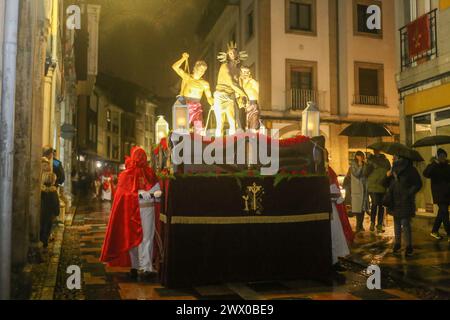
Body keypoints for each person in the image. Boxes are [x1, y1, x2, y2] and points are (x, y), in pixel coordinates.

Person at [100, 147, 162, 281]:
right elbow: (158, 195)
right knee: (146, 238)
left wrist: (137, 197)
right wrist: (147, 196)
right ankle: (146, 268)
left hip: (130, 210)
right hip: (147, 208)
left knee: (132, 239)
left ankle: (135, 267)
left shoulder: (125, 175)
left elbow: (121, 195)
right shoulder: (150, 173)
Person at [384, 156, 422, 257]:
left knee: (405, 223)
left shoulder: (410, 169)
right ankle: (397, 244)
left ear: (401, 158)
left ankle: (408, 246)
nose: (393, 159)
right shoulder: (393, 169)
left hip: (406, 200)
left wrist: (408, 193)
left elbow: (418, 184)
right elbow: (385, 184)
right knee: (396, 223)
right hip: (394, 199)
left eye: (395, 157)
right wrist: (387, 176)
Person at [172, 53, 214, 135]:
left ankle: (199, 144)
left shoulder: (204, 84)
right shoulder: (187, 77)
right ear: (195, 69)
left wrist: (213, 102)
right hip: (185, 105)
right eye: (200, 69)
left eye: (203, 70)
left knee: (199, 128)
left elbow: (209, 97)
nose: (202, 72)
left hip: (197, 107)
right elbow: (175, 67)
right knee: (182, 129)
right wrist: (183, 59)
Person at [213, 41, 248, 136]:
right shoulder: (224, 66)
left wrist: (241, 98)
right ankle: (218, 145)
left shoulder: (238, 70)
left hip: (230, 97)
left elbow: (239, 85)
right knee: (220, 123)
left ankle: (233, 144)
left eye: (234, 52)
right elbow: (232, 83)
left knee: (233, 122)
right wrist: (244, 94)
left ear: (237, 54)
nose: (232, 54)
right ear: (227, 55)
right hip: (220, 96)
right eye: (230, 53)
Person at [328, 166, 354, 272]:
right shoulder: (326, 171)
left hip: (329, 208)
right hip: (326, 208)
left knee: (334, 234)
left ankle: (334, 261)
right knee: (333, 234)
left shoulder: (328, 171)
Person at [423, 149, 450, 241]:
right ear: (437, 157)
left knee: (441, 213)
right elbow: (426, 174)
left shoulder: (447, 166)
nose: (443, 158)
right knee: (445, 213)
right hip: (439, 194)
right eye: (441, 156)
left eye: (444, 156)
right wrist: (434, 164)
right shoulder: (433, 166)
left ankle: (434, 231)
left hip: (447, 194)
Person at [364, 150, 391, 233]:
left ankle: (377, 224)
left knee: (378, 206)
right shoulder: (385, 161)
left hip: (378, 186)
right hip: (376, 186)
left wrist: (368, 164)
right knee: (377, 205)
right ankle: (375, 224)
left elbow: (365, 173)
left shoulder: (373, 161)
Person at [40, 146, 60, 249]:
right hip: (48, 197)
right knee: (47, 222)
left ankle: (44, 239)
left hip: (43, 198)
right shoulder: (55, 163)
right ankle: (44, 240)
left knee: (44, 222)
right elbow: (61, 175)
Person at [351, 151, 369, 233]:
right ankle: (358, 225)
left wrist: (365, 165)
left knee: (363, 208)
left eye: (362, 156)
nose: (361, 158)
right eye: (360, 156)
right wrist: (360, 166)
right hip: (357, 188)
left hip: (364, 187)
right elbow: (356, 174)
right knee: (358, 208)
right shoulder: (353, 164)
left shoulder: (365, 163)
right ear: (357, 156)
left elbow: (366, 174)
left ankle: (361, 225)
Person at [239, 66, 260, 131]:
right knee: (244, 125)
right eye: (244, 72)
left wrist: (258, 106)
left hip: (252, 104)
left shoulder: (253, 82)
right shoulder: (240, 82)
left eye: (247, 72)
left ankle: (252, 138)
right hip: (243, 106)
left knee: (253, 125)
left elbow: (258, 94)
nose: (246, 73)